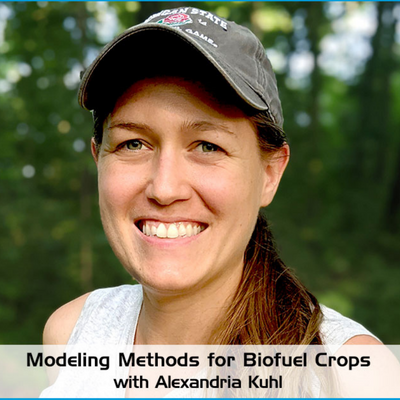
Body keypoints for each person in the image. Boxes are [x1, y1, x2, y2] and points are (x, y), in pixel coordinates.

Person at [44, 6, 380, 349]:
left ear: (269, 174)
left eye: (207, 146)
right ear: (98, 158)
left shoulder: (348, 375)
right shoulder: (71, 334)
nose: (165, 188)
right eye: (134, 144)